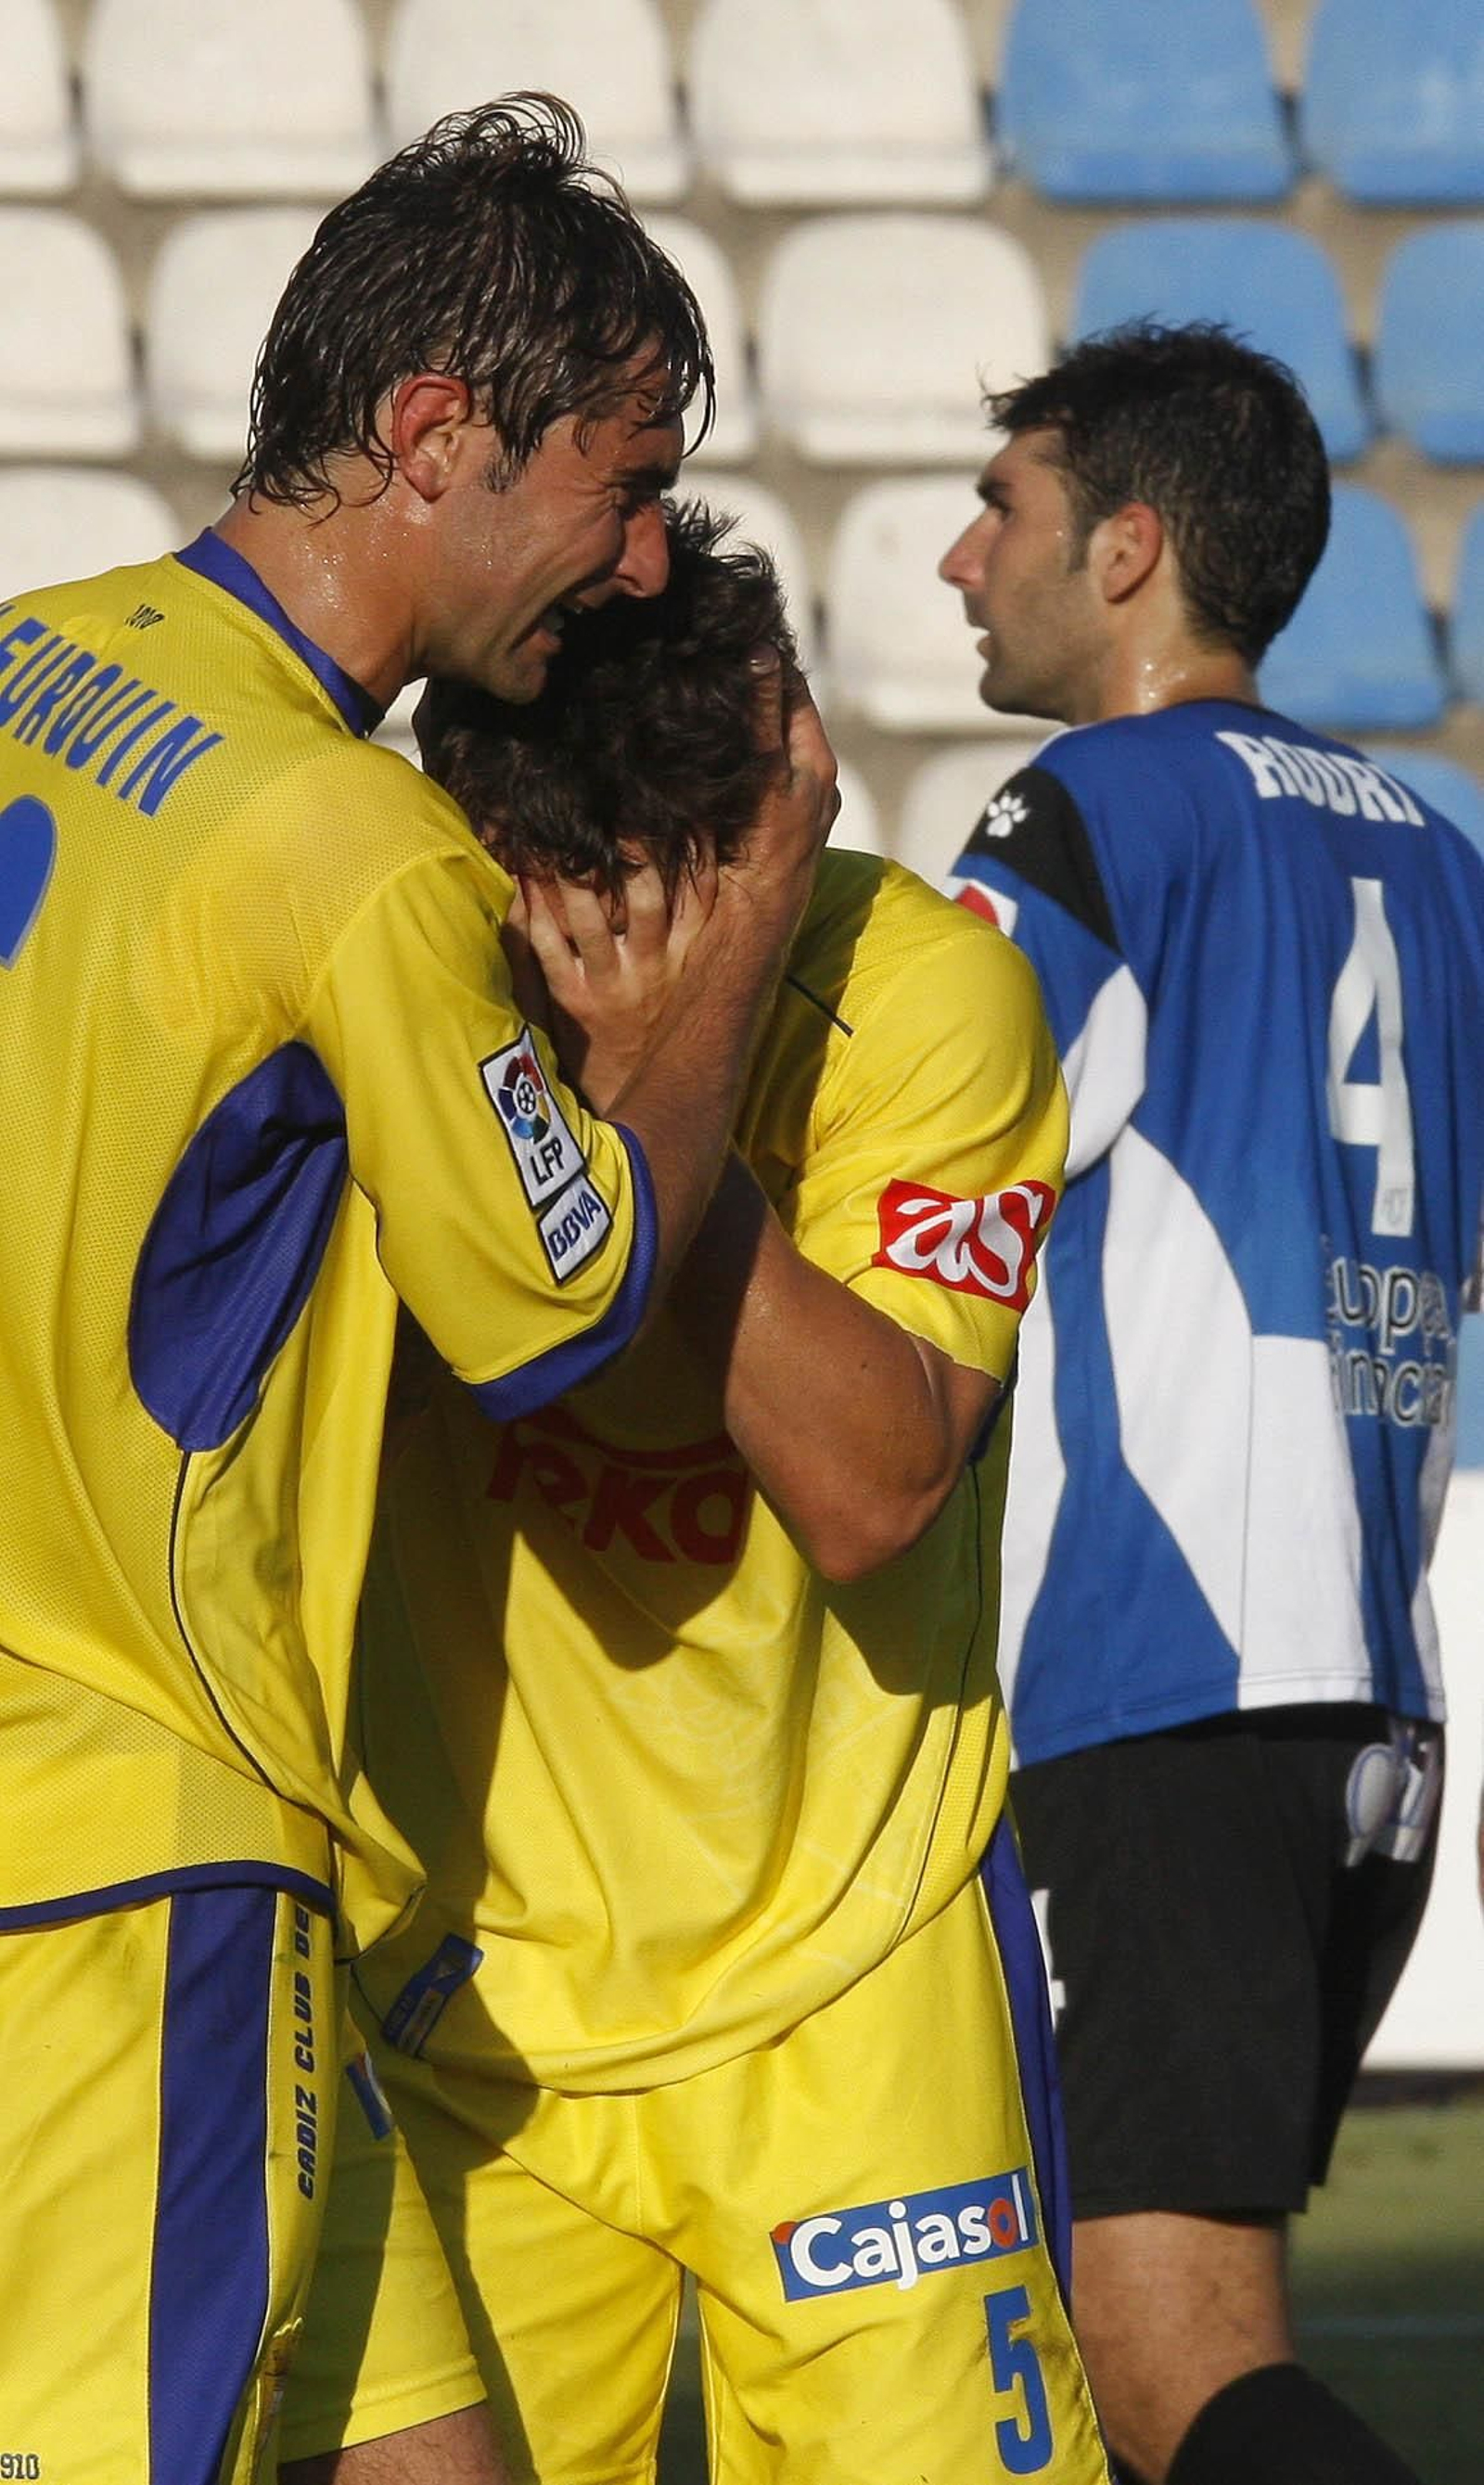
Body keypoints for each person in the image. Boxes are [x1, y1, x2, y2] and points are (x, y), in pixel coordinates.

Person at [0, 101, 838, 2484]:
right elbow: (557, 1312)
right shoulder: (346, 845)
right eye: (625, 478)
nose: (650, 557)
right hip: (130, 1836)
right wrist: (739, 946)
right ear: (432, 436)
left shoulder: (36, 657)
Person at [279, 502, 1111, 2484]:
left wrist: (675, 1052)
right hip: (464, 1996)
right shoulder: (394, 974)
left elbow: (878, 1485)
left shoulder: (921, 999)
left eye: (715, 876)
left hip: (844, 1978)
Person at [938, 319, 1484, 2485]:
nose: (958, 566)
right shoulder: (1439, 866)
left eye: (1002, 514)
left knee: (1159, 2347)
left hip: (1161, 1693)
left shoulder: (1081, 815)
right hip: (1368, 1718)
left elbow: (917, 1161)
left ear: (1129, 549)